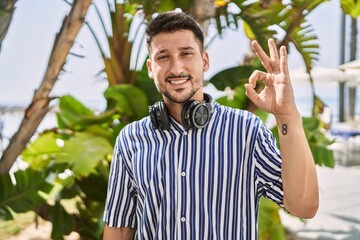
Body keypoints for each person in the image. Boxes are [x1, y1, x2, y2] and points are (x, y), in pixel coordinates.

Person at [102, 11, 319, 240]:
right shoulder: (130, 139)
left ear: (204, 60)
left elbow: (304, 206)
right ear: (150, 67)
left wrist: (287, 116)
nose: (176, 68)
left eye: (186, 54)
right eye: (163, 57)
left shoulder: (246, 131)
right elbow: (119, 228)